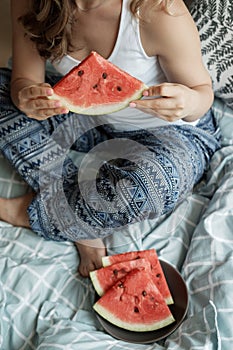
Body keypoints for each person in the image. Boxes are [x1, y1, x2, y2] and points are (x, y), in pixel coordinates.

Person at [0, 0, 220, 277]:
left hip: (174, 132)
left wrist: (187, 102)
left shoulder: (160, 12)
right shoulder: (29, 3)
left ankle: (31, 213)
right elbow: (25, 80)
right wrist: (28, 97)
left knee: (146, 186)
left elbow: (202, 94)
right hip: (90, 121)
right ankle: (81, 219)